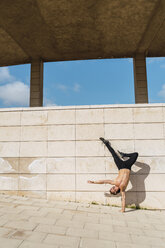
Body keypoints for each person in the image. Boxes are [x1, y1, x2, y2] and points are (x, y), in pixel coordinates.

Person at [87, 137, 138, 212]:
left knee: (114, 154)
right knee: (135, 155)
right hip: (128, 166)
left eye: (112, 188)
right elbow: (123, 198)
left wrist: (94, 182)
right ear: (117, 191)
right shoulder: (122, 189)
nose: (113, 187)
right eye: (114, 189)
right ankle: (124, 155)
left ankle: (107, 143)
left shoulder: (115, 182)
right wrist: (123, 209)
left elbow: (104, 181)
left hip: (120, 166)